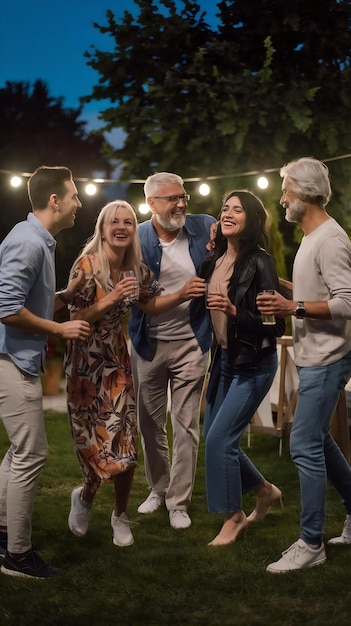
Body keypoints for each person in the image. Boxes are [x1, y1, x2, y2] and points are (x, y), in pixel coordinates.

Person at [65, 199, 206, 545]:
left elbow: (152, 303)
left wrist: (182, 295)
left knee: (124, 441)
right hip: (84, 365)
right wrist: (112, 300)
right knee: (92, 445)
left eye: (128, 222)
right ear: (102, 227)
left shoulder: (136, 268)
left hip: (116, 362)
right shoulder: (85, 266)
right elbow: (74, 320)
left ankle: (121, 515)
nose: (122, 227)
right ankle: (84, 496)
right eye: (114, 221)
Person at [256, 157, 351, 573]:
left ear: (306, 193)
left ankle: (311, 543)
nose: (282, 199)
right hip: (313, 357)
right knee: (317, 441)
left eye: (286, 191)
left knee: (303, 445)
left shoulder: (330, 239)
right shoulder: (312, 238)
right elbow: (317, 292)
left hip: (327, 359)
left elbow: (347, 302)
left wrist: (291, 305)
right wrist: (283, 289)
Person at [0, 165, 91, 579]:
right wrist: (60, 327)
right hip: (9, 362)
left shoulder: (38, 240)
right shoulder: (28, 242)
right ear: (54, 201)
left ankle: (4, 538)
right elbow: (6, 309)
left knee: (18, 453)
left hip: (16, 360)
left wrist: (64, 297)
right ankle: (18, 556)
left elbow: (29, 304)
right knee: (31, 455)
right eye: (74, 195)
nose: (79, 203)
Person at [128, 172, 216, 529]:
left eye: (184, 197)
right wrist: (181, 293)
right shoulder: (136, 239)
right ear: (151, 204)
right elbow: (141, 300)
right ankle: (158, 488)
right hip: (149, 343)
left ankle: (179, 502)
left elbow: (236, 245)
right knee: (149, 423)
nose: (181, 204)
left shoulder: (204, 226)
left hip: (192, 343)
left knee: (185, 426)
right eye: (171, 199)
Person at [199, 189, 285, 546]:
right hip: (223, 360)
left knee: (220, 440)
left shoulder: (260, 262)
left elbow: (274, 326)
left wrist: (236, 312)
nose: (229, 212)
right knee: (216, 437)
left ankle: (233, 516)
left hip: (253, 363)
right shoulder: (214, 262)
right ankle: (264, 490)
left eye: (237, 209)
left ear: (250, 219)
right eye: (225, 208)